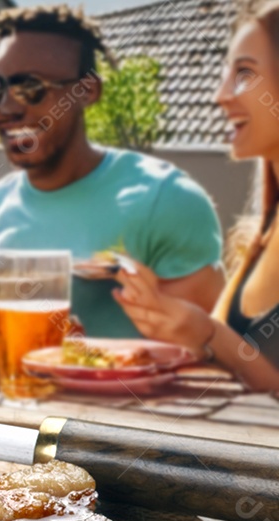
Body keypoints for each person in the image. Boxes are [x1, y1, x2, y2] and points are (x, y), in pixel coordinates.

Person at [0, 5, 225, 339]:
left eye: (30, 87)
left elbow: (211, 356)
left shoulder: (165, 198)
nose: (7, 108)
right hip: (14, 390)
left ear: (87, 90)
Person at [115, 2, 279, 392]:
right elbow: (229, 364)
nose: (220, 95)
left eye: (244, 73)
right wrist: (172, 319)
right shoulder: (261, 233)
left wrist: (206, 332)